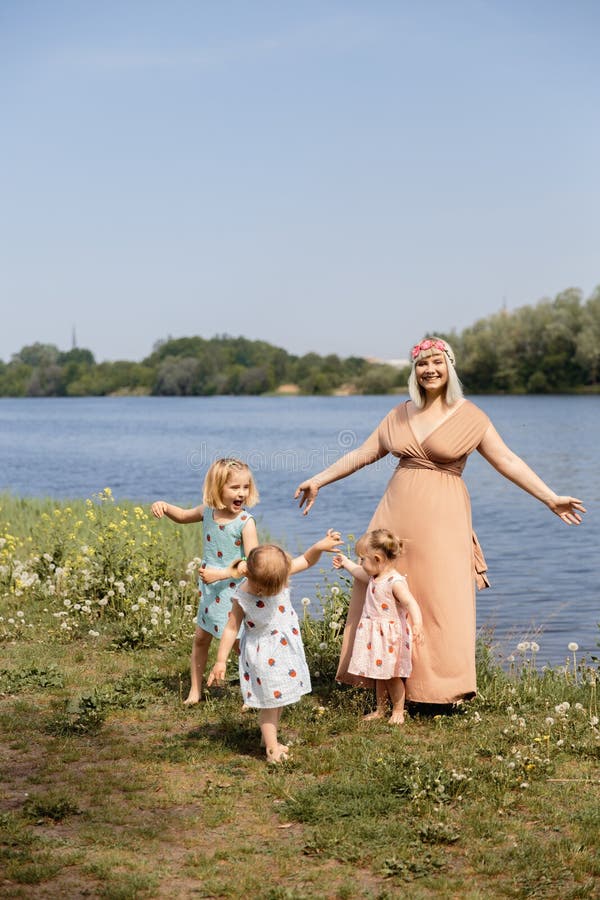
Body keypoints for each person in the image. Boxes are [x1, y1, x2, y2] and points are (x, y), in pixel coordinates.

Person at [295, 337, 586, 707]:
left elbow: (507, 461)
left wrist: (549, 496)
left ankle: (442, 688)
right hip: (395, 514)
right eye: (421, 364)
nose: (429, 370)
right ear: (413, 371)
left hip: (444, 519)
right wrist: (320, 478)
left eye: (436, 362)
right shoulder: (399, 414)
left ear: (450, 367)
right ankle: (382, 682)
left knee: (441, 598)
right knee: (381, 592)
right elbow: (363, 454)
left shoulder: (471, 416)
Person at [207, 530, 342, 763]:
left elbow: (307, 560)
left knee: (277, 700)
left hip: (284, 650)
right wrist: (220, 660)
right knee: (269, 703)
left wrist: (320, 546)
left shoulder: (276, 573)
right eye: (264, 588)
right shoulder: (242, 597)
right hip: (262, 654)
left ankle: (269, 738)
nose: (268, 593)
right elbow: (231, 629)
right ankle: (272, 751)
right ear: (249, 574)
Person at [152, 457, 259, 704]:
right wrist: (165, 506)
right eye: (234, 487)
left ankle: (253, 693)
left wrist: (220, 574)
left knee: (237, 645)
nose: (241, 493)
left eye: (245, 487)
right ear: (217, 487)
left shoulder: (245, 523)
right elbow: (181, 516)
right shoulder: (207, 513)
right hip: (210, 591)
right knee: (201, 637)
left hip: (233, 592)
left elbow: (252, 565)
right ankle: (195, 691)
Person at [333, 529, 423, 724]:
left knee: (391, 676)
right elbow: (359, 573)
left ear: (377, 558)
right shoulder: (375, 577)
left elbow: (410, 603)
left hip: (391, 637)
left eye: (362, 559)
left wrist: (417, 623)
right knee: (378, 674)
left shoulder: (394, 582)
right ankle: (380, 709)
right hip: (375, 635)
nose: (361, 564)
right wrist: (345, 563)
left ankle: (398, 710)